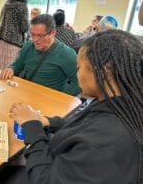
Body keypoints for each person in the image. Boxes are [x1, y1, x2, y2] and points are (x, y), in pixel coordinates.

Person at [9, 29, 143, 184]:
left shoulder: (105, 143)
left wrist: (32, 129)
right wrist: (48, 121)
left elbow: (46, 179)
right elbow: (85, 125)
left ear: (102, 73)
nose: (77, 74)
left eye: (79, 68)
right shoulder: (121, 105)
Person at [0, 14, 80, 96]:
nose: (35, 40)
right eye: (32, 34)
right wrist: (11, 69)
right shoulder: (28, 46)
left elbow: (80, 82)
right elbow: (17, 65)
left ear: (53, 33)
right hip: (27, 93)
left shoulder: (66, 54)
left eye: (40, 35)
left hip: (49, 99)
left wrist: (61, 97)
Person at [0, 0, 29, 70]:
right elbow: (24, 28)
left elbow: (1, 18)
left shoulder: (6, 3)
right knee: (10, 68)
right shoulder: (23, 7)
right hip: (14, 41)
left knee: (0, 65)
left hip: (2, 38)